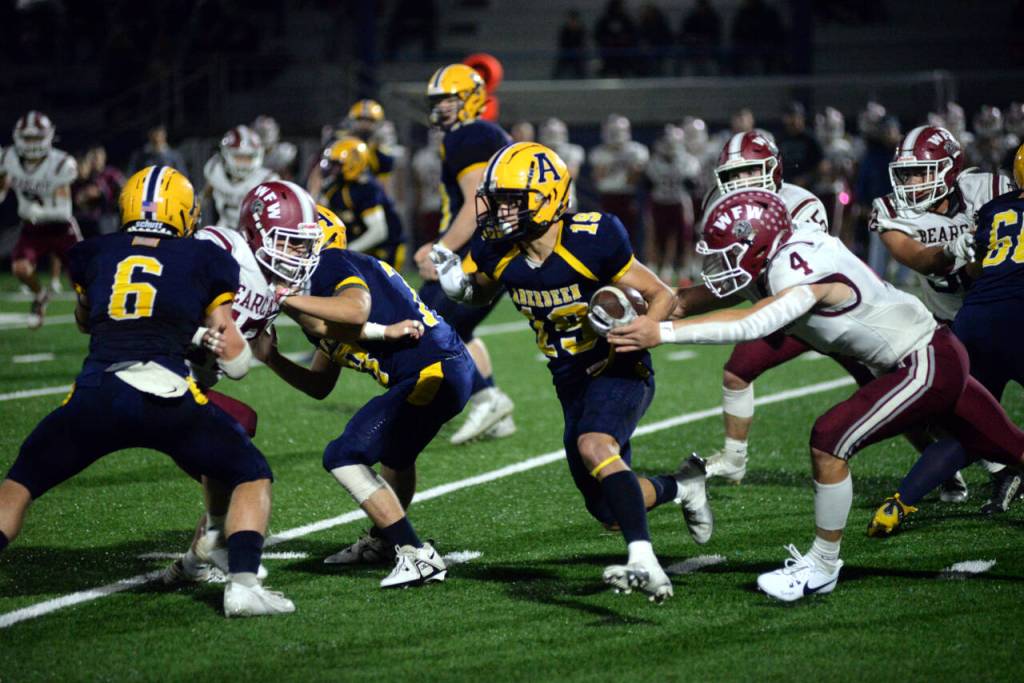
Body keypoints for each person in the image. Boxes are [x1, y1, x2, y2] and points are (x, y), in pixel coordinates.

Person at [608, 188, 1024, 602]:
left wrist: (661, 334)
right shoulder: (768, 258)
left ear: (758, 243)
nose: (718, 263)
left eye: (728, 252)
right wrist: (635, 315)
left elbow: (753, 323)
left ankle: (822, 567)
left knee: (829, 439)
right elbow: (683, 301)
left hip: (924, 361)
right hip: (925, 357)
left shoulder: (797, 262)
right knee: (1014, 448)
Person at [0, 165, 294, 617]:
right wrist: (217, 343)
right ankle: (242, 584)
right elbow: (236, 364)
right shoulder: (206, 257)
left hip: (97, 392)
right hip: (167, 395)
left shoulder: (92, 251)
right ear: (185, 212)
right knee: (251, 473)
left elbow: (84, 320)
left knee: (19, 485)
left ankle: (219, 546)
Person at [431, 142, 713, 602]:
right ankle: (682, 486)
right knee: (607, 509)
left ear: (550, 198)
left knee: (593, 445)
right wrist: (459, 288)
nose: (500, 212)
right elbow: (482, 292)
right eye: (497, 199)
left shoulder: (591, 236)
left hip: (620, 365)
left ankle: (643, 560)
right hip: (569, 379)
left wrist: (641, 333)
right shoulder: (499, 249)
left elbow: (661, 293)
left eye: (512, 200)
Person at [259, 197, 475, 588]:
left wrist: (282, 298)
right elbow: (320, 384)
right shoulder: (321, 301)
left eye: (295, 244)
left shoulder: (332, 263)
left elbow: (356, 310)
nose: (286, 254)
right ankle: (382, 543)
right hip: (441, 369)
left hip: (432, 370)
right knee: (397, 456)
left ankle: (415, 554)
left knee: (343, 455)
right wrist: (272, 358)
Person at [162, 180, 328, 584]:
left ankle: (196, 558)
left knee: (237, 430)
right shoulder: (222, 248)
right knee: (237, 453)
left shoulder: (279, 284)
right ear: (257, 234)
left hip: (190, 385)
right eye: (290, 243)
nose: (298, 256)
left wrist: (384, 331)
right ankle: (224, 556)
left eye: (304, 246)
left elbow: (325, 326)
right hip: (162, 374)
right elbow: (164, 290)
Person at [867, 144, 1024, 532]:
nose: (913, 182)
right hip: (1003, 317)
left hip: (975, 321)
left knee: (970, 427)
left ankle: (900, 502)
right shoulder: (895, 211)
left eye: (922, 172)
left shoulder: (989, 206)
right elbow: (927, 261)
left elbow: (977, 264)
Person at [699, 130, 830, 482]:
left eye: (750, 171)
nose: (741, 182)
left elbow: (806, 279)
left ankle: (948, 461)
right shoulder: (719, 205)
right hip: (775, 313)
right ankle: (734, 458)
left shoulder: (801, 204)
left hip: (824, 313)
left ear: (773, 169)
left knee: (878, 380)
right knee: (737, 371)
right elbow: (728, 278)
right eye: (732, 175)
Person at [412, 64, 517, 445]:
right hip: (492, 249)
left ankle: (485, 398)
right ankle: (493, 405)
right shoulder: (479, 133)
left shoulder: (470, 134)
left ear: (471, 98)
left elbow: (478, 203)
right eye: (436, 101)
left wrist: (441, 249)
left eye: (449, 100)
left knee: (430, 325)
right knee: (452, 326)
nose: (440, 108)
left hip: (480, 251)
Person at [0, 111, 81, 328]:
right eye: (28, 138)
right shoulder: (7, 158)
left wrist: (39, 212)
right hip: (32, 228)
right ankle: (40, 296)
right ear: (18, 137)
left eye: (36, 137)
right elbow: (2, 181)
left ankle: (90, 315)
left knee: (82, 281)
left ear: (47, 136)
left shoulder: (61, 164)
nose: (32, 143)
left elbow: (64, 211)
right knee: (20, 268)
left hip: (62, 229)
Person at [319, 136, 406, 269]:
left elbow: (378, 232)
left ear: (353, 163)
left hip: (386, 248)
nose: (332, 169)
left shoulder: (367, 188)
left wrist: (345, 249)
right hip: (361, 246)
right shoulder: (334, 187)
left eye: (337, 165)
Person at [645, 124, 702, 284]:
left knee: (685, 238)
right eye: (666, 142)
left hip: (680, 202)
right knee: (657, 236)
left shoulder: (688, 161)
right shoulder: (654, 161)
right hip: (659, 201)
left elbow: (692, 184)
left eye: (672, 142)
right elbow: (648, 185)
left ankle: (684, 270)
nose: (669, 146)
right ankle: (660, 268)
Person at [589, 114, 649, 258]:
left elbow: (632, 181)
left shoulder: (637, 151)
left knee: (628, 234)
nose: (616, 136)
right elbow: (598, 179)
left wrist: (630, 166)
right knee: (605, 233)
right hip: (607, 197)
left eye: (618, 132)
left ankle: (630, 264)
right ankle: (607, 263)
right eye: (613, 132)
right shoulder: (599, 152)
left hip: (627, 197)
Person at [202, 125, 278, 230]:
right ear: (226, 154)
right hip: (224, 227)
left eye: (248, 157)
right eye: (239, 157)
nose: (243, 163)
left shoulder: (266, 180)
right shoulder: (215, 169)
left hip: (254, 231)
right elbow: (206, 193)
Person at [73, 145, 125, 238]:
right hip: (87, 219)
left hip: (109, 217)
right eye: (92, 158)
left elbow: (123, 191)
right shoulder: (85, 177)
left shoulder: (112, 174)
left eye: (97, 157)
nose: (95, 160)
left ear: (104, 157)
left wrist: (102, 193)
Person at [411, 129, 444, 245]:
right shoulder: (450, 155)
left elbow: (417, 185)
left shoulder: (421, 157)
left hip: (429, 204)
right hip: (436, 204)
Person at [552, 9, 587, 79]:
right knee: (558, 72)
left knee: (580, 71)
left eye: (575, 20)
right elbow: (562, 43)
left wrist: (578, 50)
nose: (573, 22)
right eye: (571, 20)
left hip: (577, 55)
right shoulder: (564, 30)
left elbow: (583, 43)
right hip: (566, 54)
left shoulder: (581, 30)